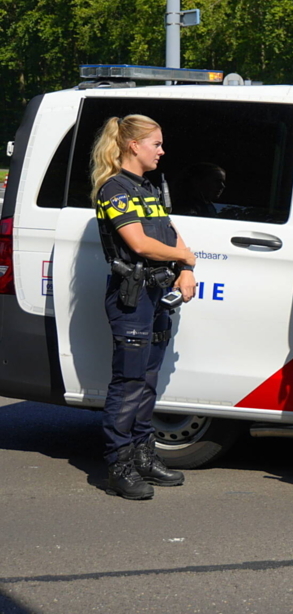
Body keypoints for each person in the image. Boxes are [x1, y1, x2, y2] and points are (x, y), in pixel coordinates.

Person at [91, 115, 198, 500]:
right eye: (156, 143)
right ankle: (118, 465)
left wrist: (184, 267)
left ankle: (142, 455)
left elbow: (167, 231)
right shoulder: (114, 189)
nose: (162, 151)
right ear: (133, 146)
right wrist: (186, 256)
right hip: (132, 296)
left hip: (156, 295)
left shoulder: (149, 187)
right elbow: (140, 244)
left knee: (148, 380)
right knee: (129, 381)